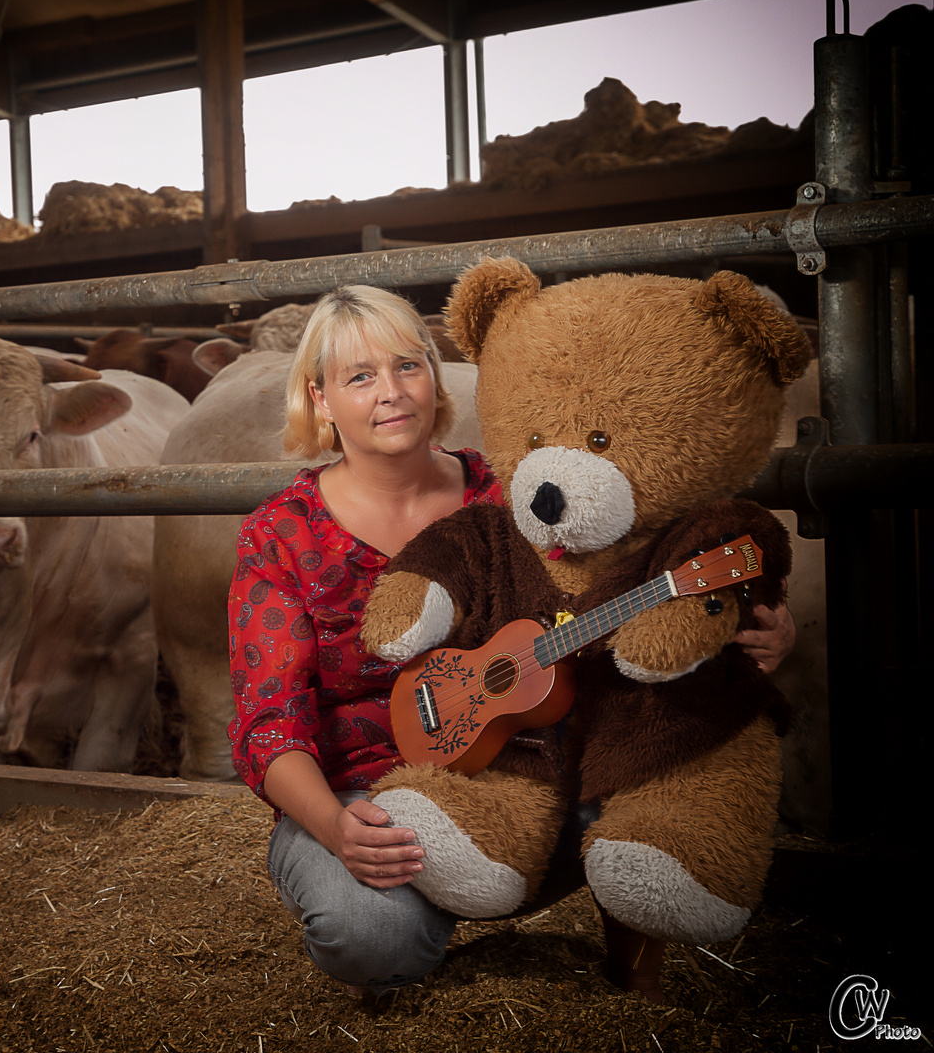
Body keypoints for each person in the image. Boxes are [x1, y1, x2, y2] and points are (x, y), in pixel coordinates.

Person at [226, 284, 795, 1001]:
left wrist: (758, 615)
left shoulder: (514, 489)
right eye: (360, 376)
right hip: (357, 790)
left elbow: (652, 554)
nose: (393, 392)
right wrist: (337, 827)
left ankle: (624, 944)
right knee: (370, 937)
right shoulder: (281, 533)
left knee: (636, 772)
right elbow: (267, 722)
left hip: (525, 759)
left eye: (410, 365)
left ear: (438, 376)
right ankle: (429, 904)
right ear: (318, 400)